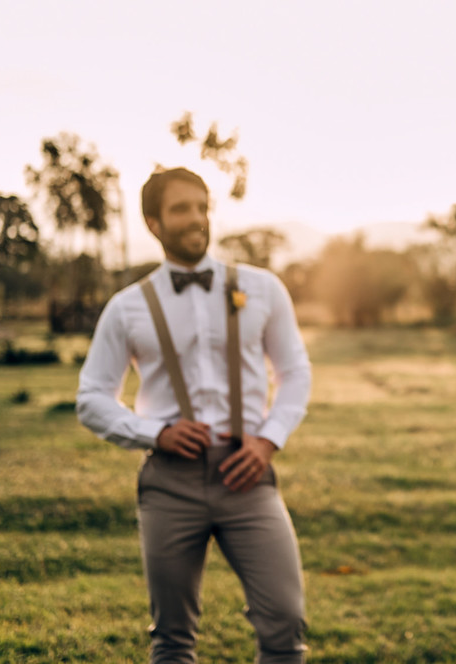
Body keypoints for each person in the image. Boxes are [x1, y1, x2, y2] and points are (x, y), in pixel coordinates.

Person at [76, 166, 313, 664]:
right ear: (153, 222)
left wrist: (268, 439)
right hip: (169, 484)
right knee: (173, 638)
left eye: (202, 206)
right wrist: (153, 432)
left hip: (248, 475)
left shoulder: (263, 288)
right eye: (181, 208)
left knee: (286, 621)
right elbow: (92, 397)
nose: (196, 218)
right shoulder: (126, 308)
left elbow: (294, 372)